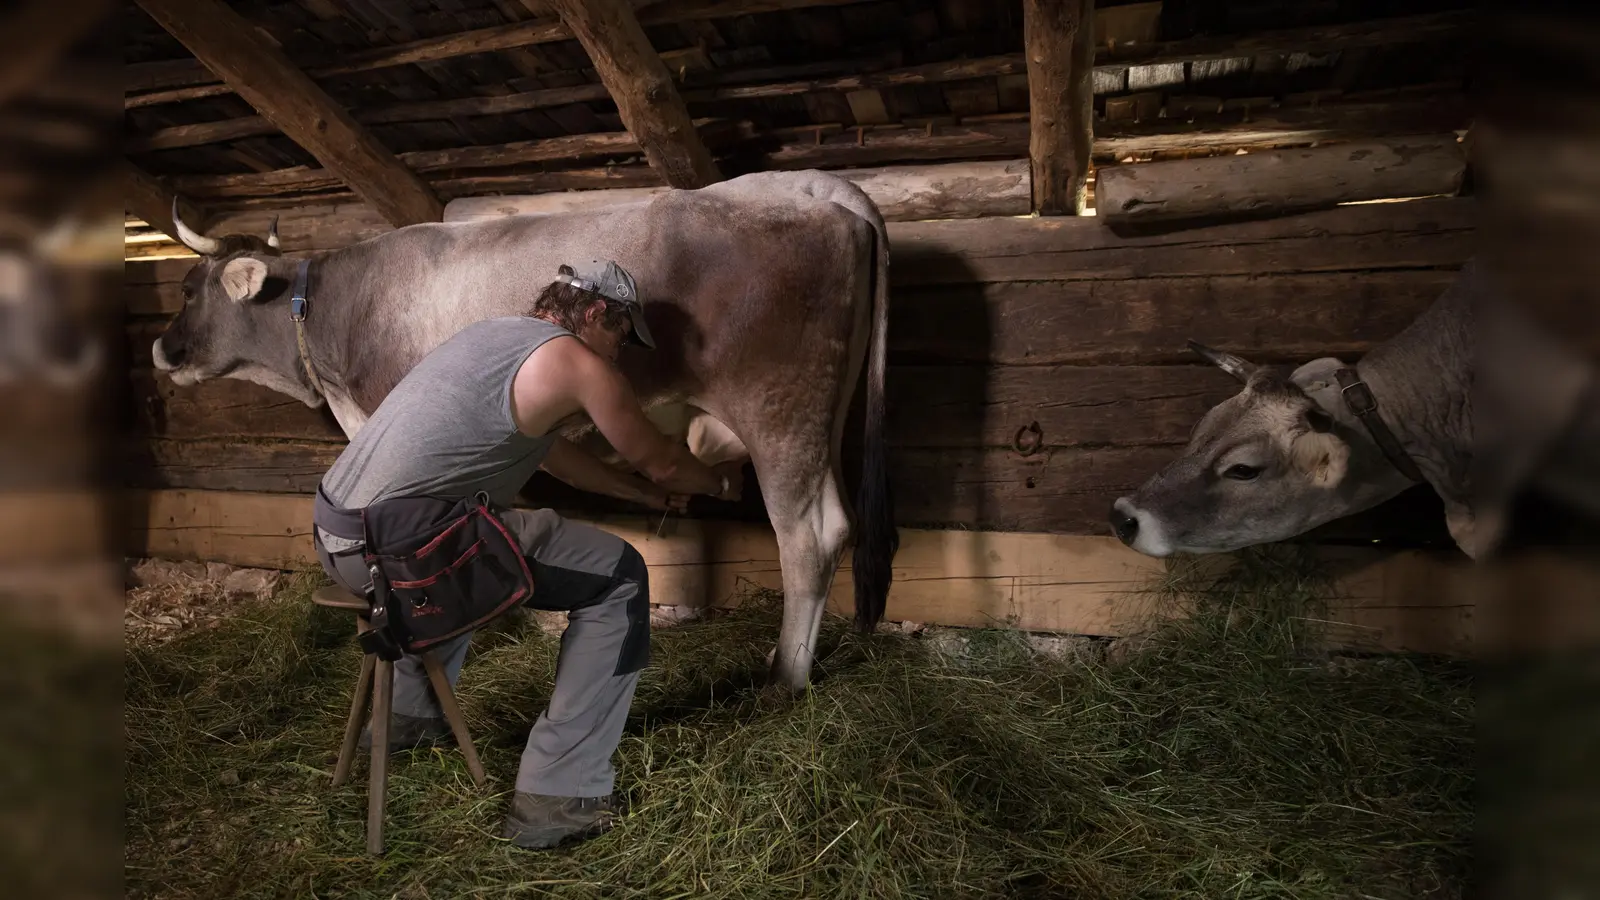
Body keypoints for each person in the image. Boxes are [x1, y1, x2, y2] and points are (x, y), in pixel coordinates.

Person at [310, 259, 740, 850]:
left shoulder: (490, 340)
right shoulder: (576, 362)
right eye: (619, 335)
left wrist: (643, 494)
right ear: (593, 313)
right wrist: (715, 484)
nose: (618, 354)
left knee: (480, 532)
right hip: (404, 552)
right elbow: (664, 458)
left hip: (342, 540)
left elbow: (560, 461)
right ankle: (559, 796)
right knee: (620, 575)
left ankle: (411, 718)